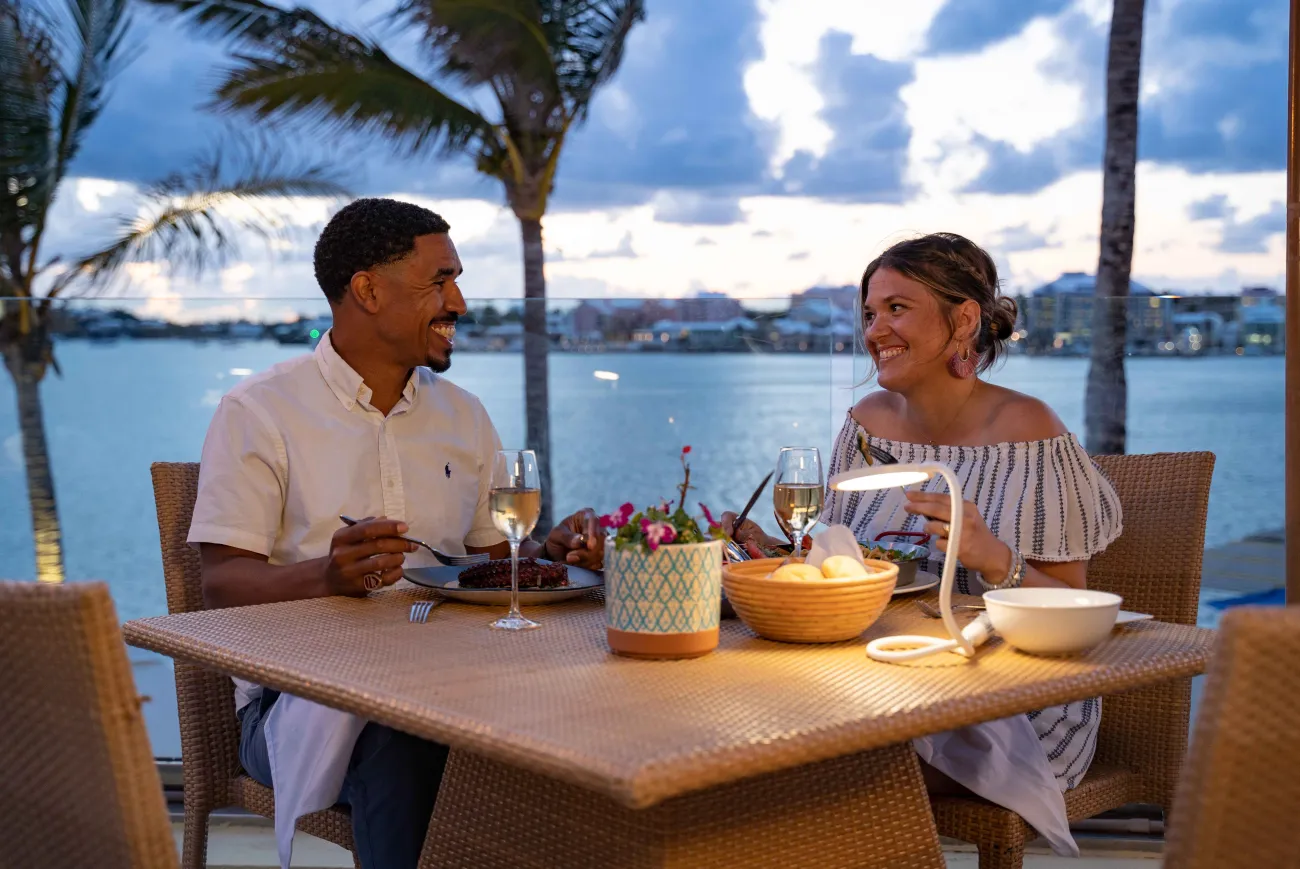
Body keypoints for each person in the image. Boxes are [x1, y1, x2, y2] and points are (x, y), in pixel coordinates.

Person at [187, 197, 602, 869]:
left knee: (564, 725)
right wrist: (323, 577)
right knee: (403, 741)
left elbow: (490, 565)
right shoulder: (258, 412)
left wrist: (542, 558)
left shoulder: (463, 416)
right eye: (439, 280)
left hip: (450, 684)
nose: (459, 301)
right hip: (298, 702)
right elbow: (221, 582)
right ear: (368, 290)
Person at [726, 232, 1122, 798]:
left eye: (896, 309)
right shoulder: (866, 423)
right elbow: (845, 561)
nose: (874, 331)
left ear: (963, 321)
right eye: (869, 313)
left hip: (1013, 701)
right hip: (881, 672)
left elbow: (1071, 613)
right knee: (739, 728)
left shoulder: (1030, 431)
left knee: (795, 769)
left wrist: (993, 557)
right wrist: (766, 548)